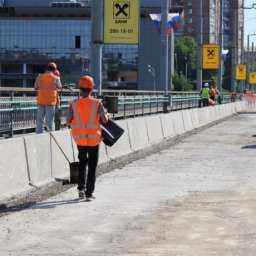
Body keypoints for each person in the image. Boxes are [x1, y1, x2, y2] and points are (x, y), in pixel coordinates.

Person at [67, 75, 109, 200]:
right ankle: (89, 193)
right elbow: (105, 120)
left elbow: (68, 121)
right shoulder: (97, 103)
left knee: (82, 164)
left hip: (80, 139)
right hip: (93, 140)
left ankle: (81, 189)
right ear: (91, 89)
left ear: (80, 89)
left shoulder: (73, 104)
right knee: (92, 166)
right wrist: (106, 113)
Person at [34, 63, 62, 133]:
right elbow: (59, 87)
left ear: (46, 69)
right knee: (49, 121)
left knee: (40, 120)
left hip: (41, 101)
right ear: (54, 70)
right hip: (51, 101)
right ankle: (50, 136)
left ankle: (39, 135)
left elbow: (35, 87)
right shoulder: (56, 78)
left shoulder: (39, 77)